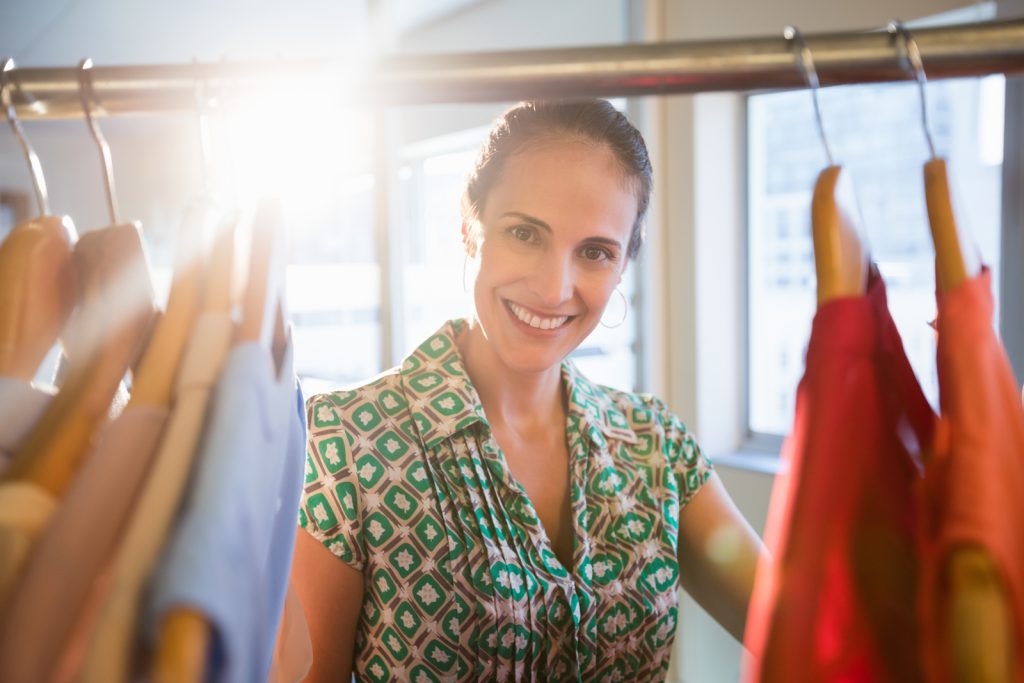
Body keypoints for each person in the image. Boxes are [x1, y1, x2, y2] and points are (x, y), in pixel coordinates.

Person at [291, 99, 765, 682]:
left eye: (594, 252)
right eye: (524, 233)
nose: (553, 287)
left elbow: (803, 636)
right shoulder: (346, 440)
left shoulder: (654, 444)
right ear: (469, 228)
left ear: (622, 266)